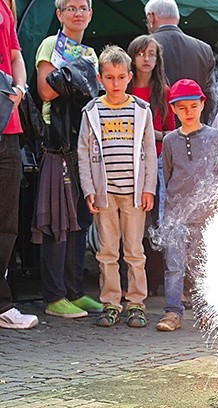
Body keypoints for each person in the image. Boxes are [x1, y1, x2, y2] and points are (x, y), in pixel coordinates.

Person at [78, 45, 157, 328]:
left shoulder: (140, 110)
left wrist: (149, 187)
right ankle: (111, 303)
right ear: (100, 79)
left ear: (129, 77)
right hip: (105, 194)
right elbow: (84, 153)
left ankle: (136, 302)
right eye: (109, 77)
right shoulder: (91, 111)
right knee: (107, 252)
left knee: (134, 251)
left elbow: (149, 151)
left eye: (120, 77)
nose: (115, 83)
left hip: (134, 194)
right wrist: (90, 190)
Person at [33, 0, 103, 318]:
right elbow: (46, 91)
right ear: (59, 14)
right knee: (57, 222)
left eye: (83, 8)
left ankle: (75, 291)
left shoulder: (90, 53)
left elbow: (95, 94)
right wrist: (76, 81)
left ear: (90, 14)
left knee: (79, 218)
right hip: (55, 143)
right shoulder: (51, 44)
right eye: (70, 7)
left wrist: (71, 81)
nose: (77, 13)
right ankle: (54, 295)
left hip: (83, 144)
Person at [157, 79, 218, 331]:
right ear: (173, 109)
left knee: (202, 266)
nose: (188, 112)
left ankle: (206, 311)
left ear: (202, 105)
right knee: (174, 267)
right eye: (181, 107)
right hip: (176, 216)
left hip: (206, 215)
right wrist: (166, 215)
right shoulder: (170, 141)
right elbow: (167, 178)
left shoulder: (215, 137)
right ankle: (173, 312)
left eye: (193, 106)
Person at [126, 34, 176, 296]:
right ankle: (129, 283)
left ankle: (153, 281)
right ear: (132, 57)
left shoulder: (164, 92)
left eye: (152, 54)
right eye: (141, 53)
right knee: (129, 225)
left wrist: (147, 133)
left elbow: (171, 134)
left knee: (153, 222)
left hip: (154, 163)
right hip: (124, 162)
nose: (146, 59)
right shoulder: (123, 88)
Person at [0, 0, 39, 330]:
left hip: (7, 125)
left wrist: (20, 89)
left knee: (7, 222)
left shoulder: (5, 7)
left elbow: (15, 55)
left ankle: (3, 303)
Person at [144, 0, 215, 123]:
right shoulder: (204, 49)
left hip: (157, 131)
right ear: (177, 17)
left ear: (151, 17)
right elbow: (210, 97)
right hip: (194, 128)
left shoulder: (142, 49)